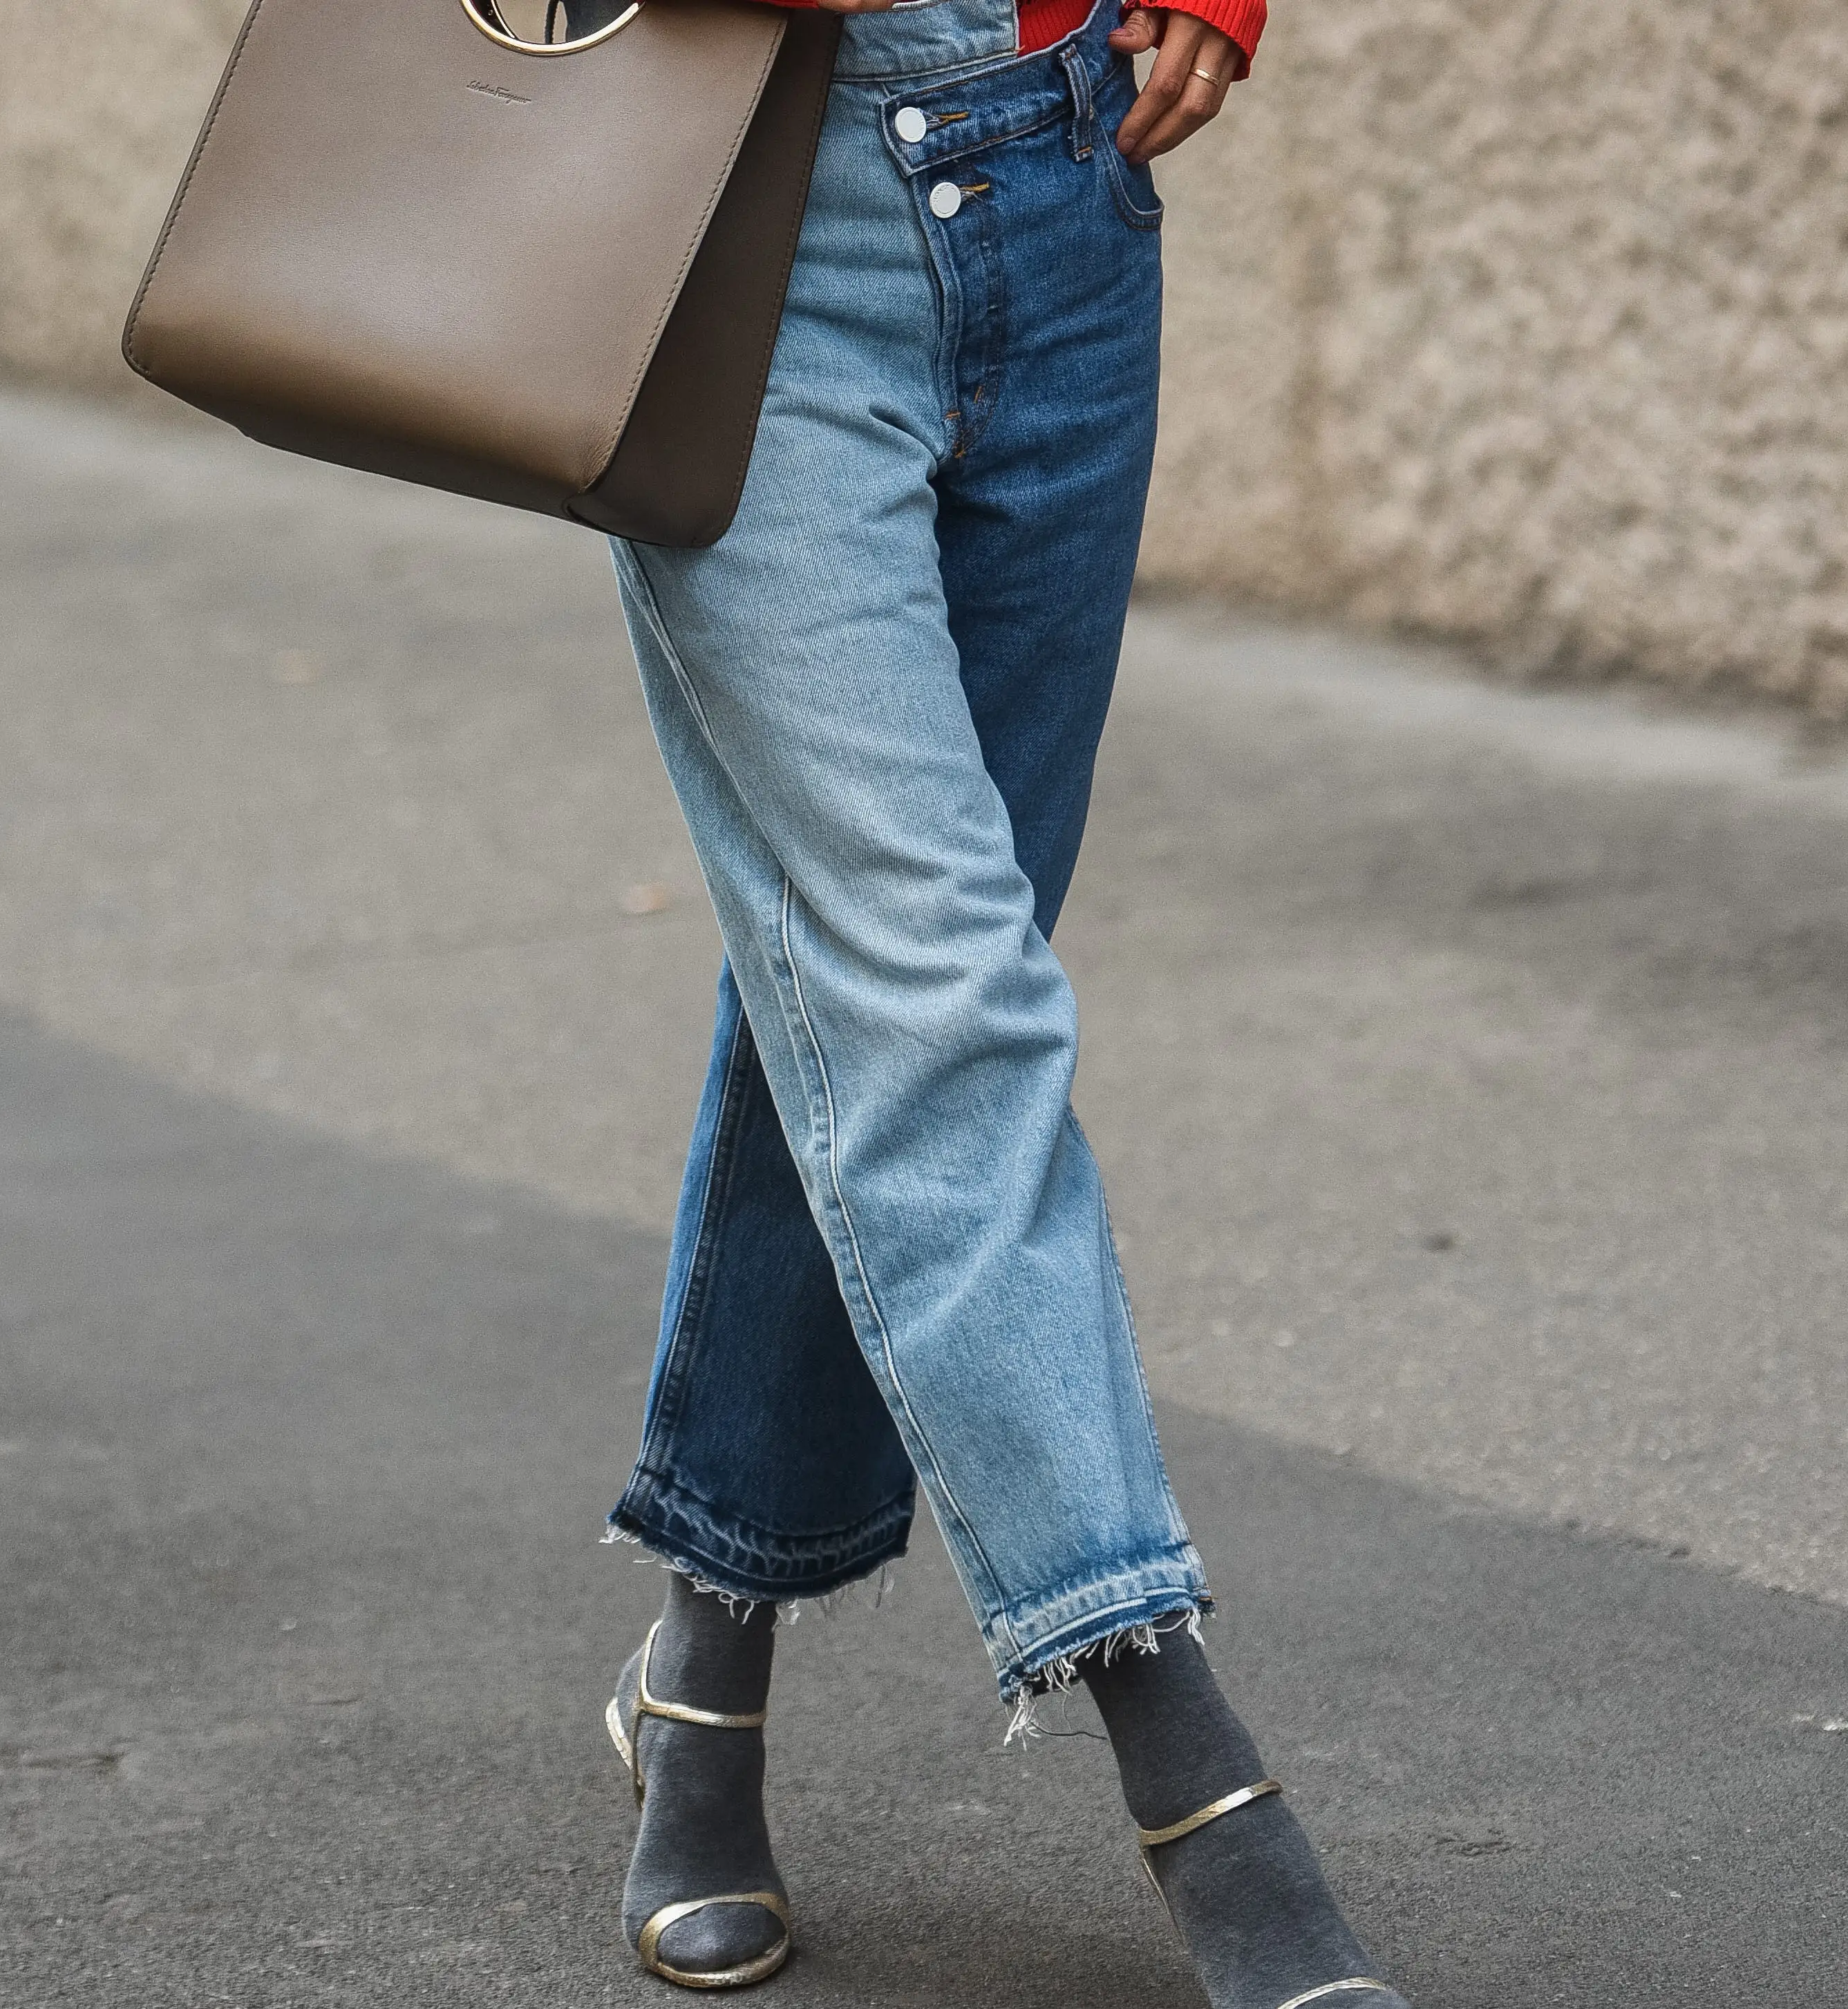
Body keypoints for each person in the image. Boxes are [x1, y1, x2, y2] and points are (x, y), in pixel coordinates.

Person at [596, 2, 1413, 2004]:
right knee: (930, 992)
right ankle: (1188, 1761)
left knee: (883, 997)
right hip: (737, 227)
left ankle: (703, 1661)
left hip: (1061, 188)